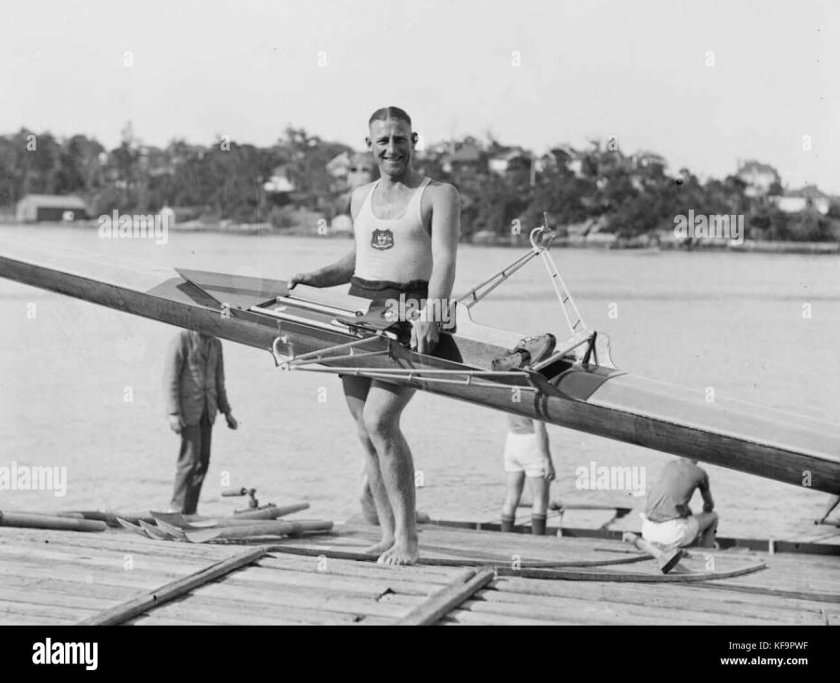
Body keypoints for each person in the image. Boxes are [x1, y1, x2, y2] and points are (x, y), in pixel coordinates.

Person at [288, 106, 461, 565]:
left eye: (400, 139)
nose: (392, 148)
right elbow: (357, 259)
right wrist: (316, 276)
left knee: (381, 422)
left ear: (414, 141)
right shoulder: (359, 196)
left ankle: (409, 539)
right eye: (383, 140)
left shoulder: (439, 194)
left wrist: (433, 313)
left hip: (413, 315)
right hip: (365, 316)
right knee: (365, 433)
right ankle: (387, 535)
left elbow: (445, 260)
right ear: (369, 145)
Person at [164, 330, 238, 515]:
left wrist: (226, 411)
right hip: (188, 411)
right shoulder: (182, 340)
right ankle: (176, 509)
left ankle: (190, 511)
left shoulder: (216, 344)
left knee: (203, 461)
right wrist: (173, 413)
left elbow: (219, 380)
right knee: (189, 461)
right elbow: (170, 379)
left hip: (208, 410)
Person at [641, 457, 718, 549]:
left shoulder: (670, 464)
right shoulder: (700, 473)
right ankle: (706, 551)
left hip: (647, 532)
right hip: (671, 535)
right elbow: (709, 506)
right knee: (713, 516)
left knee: (685, 517)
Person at [500, 416, 556, 535]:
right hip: (531, 441)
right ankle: (538, 539)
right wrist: (547, 460)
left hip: (512, 439)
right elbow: (539, 428)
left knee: (511, 496)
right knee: (540, 498)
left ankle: (505, 536)